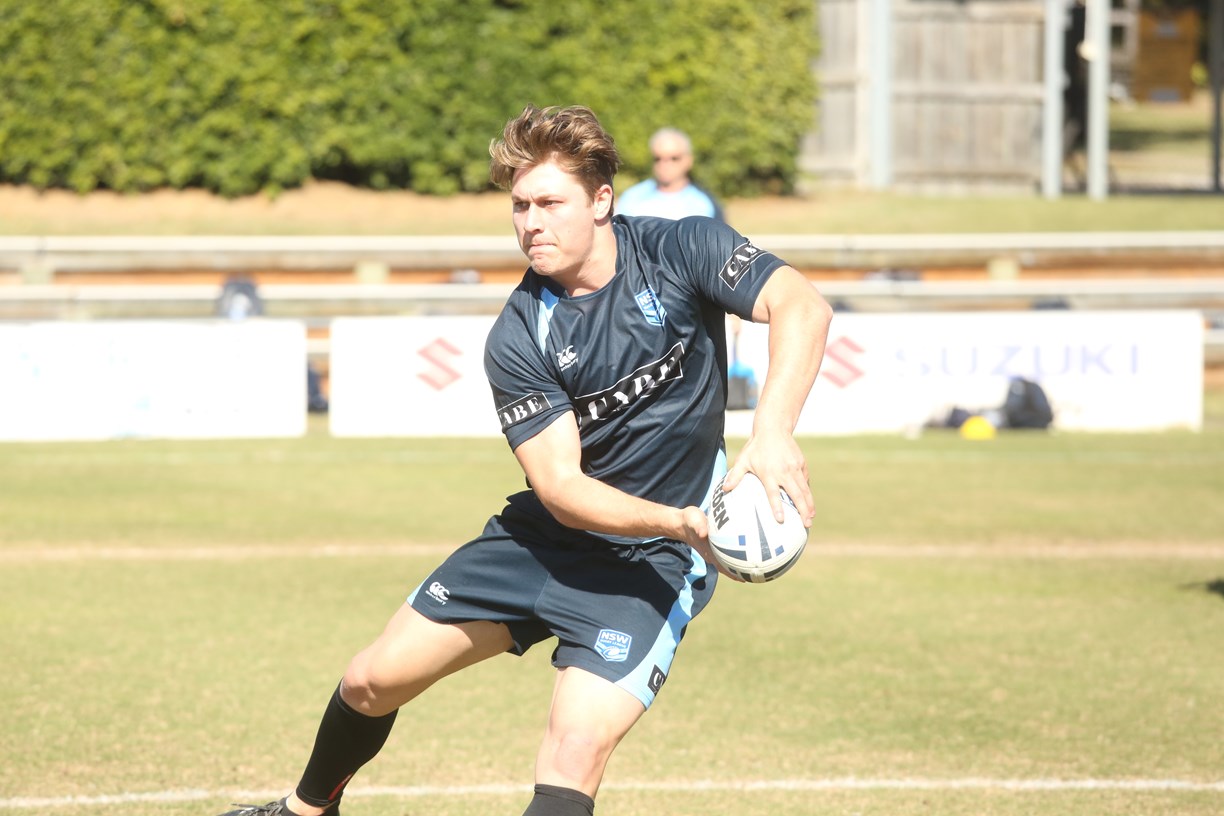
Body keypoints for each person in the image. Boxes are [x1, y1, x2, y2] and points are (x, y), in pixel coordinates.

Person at [217, 104, 832, 816]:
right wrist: (682, 521)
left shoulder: (683, 248)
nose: (531, 223)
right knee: (369, 680)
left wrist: (771, 433)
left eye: (549, 203)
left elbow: (802, 307)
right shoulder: (518, 333)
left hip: (649, 565)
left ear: (601, 201)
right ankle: (306, 810)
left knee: (572, 750)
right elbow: (562, 487)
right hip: (546, 539)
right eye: (519, 206)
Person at [616, 127, 724, 221]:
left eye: (674, 158)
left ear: (689, 160)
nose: (664, 164)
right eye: (658, 158)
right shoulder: (632, 198)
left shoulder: (705, 203)